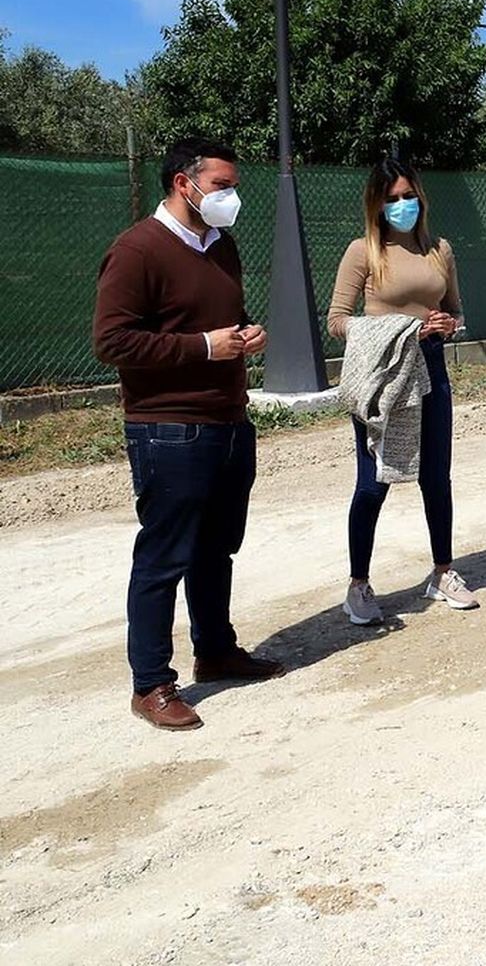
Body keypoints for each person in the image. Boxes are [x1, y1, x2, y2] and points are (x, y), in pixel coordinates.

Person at [93, 137, 282, 730]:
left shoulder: (220, 245)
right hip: (167, 427)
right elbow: (112, 342)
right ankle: (150, 684)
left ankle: (215, 650)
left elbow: (221, 322)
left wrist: (246, 335)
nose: (232, 196)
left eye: (233, 186)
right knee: (163, 558)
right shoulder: (137, 250)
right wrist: (205, 346)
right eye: (223, 185)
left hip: (228, 420)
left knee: (216, 548)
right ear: (185, 183)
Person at [327, 157, 477, 624]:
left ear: (421, 197)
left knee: (437, 477)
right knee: (372, 484)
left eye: (408, 196)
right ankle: (358, 585)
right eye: (392, 199)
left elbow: (456, 313)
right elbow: (337, 322)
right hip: (382, 374)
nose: (402, 205)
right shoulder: (363, 252)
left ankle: (443, 572)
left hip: (431, 367)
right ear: (377, 204)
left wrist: (446, 326)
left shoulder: (440, 250)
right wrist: (398, 330)